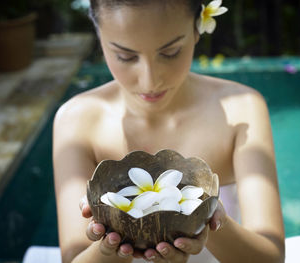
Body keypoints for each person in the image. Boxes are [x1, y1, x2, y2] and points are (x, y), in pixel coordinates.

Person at [53, 0, 285, 262]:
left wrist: (206, 219)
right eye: (125, 56)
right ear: (98, 35)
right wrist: (108, 248)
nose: (150, 80)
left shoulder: (242, 109)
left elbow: (271, 257)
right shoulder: (77, 120)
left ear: (197, 29)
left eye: (171, 52)